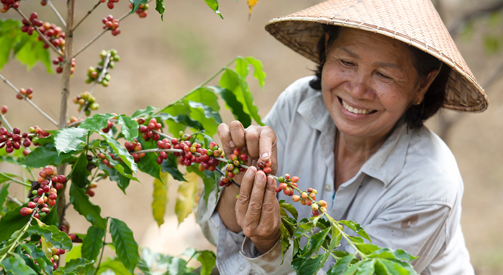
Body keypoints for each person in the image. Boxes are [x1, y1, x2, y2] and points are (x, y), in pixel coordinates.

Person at [196, 0, 488, 274]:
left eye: (384, 76)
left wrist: (270, 244)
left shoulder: (428, 187)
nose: (358, 90)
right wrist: (239, 177)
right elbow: (224, 236)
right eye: (347, 63)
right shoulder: (299, 105)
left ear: (423, 85)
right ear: (327, 48)